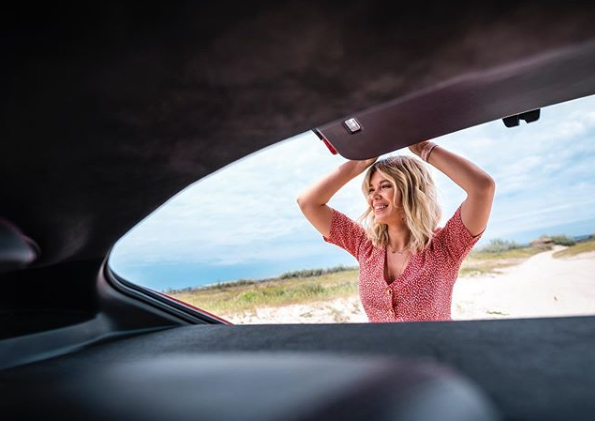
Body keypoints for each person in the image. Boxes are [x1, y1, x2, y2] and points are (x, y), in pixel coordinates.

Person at [297, 140, 495, 322]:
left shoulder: (446, 246)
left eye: (385, 186)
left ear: (410, 191)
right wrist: (361, 162)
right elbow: (308, 202)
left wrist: (424, 149)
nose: (374, 196)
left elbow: (482, 188)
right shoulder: (363, 244)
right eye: (371, 189)